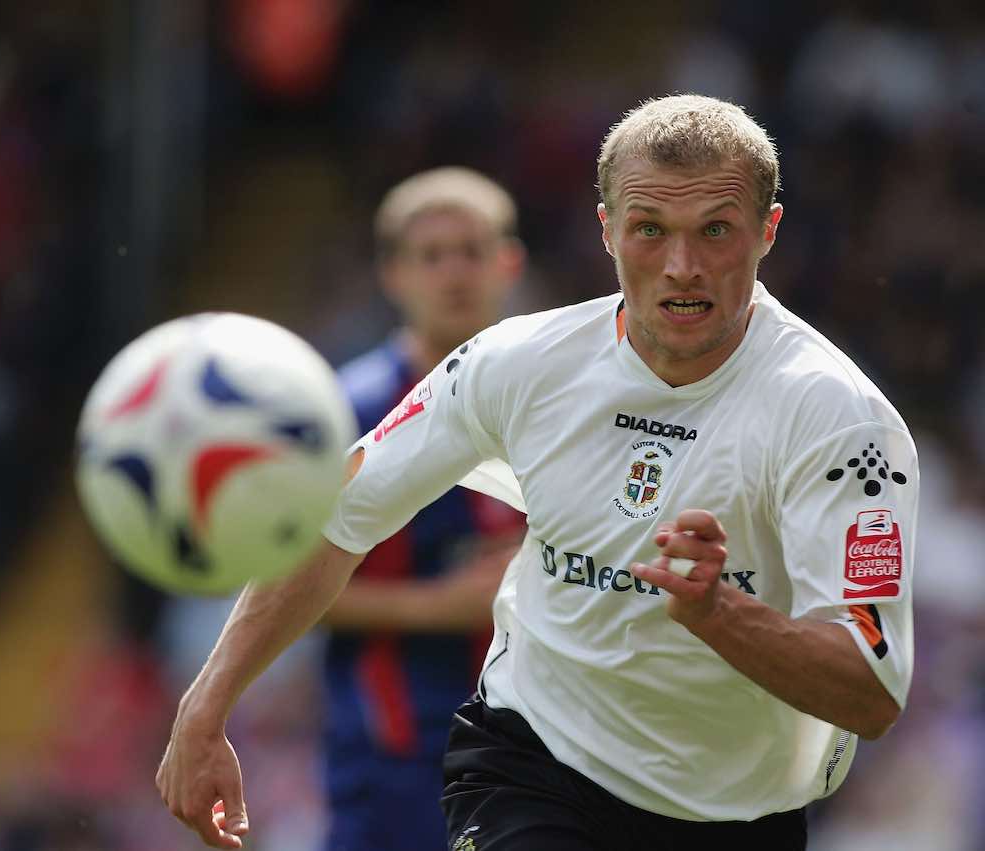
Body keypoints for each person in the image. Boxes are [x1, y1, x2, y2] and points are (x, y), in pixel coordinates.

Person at [157, 95, 918, 851]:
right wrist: (205, 704)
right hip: (535, 764)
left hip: (738, 813)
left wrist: (720, 614)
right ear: (607, 228)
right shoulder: (516, 364)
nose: (682, 267)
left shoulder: (841, 421)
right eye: (649, 230)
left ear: (768, 232)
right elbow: (333, 519)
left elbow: (870, 691)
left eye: (715, 230)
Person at [315, 167, 526, 850]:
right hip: (396, 754)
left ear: (508, 263)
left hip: (544, 751)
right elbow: (287, 586)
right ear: (393, 274)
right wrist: (452, 602)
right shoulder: (344, 413)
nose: (454, 273)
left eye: (471, 251)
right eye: (432, 256)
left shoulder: (553, 403)